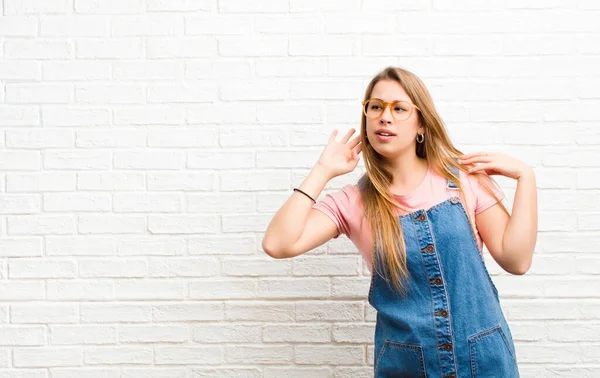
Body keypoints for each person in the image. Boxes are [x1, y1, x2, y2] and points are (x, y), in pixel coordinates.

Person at [262, 66, 538, 378]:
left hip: (485, 360)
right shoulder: (353, 201)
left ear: (421, 124)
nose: (385, 116)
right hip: (406, 367)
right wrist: (323, 170)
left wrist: (526, 177)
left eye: (400, 108)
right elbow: (277, 244)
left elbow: (516, 260)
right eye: (376, 107)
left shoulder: (463, 180)